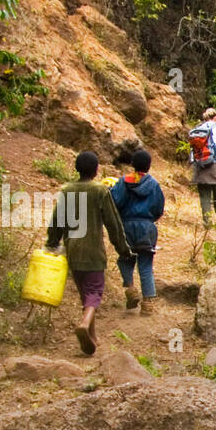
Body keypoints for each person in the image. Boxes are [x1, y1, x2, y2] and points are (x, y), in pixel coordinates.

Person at [46, 150, 133, 356]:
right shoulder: (100, 191)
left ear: (77, 169)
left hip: (73, 251)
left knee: (85, 295)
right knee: (94, 292)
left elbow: (57, 221)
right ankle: (85, 324)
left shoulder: (67, 190)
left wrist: (52, 242)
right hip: (93, 251)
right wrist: (123, 248)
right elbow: (114, 223)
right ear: (96, 171)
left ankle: (91, 337)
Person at [110, 146, 165, 315]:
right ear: (149, 166)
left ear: (133, 164)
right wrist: (148, 220)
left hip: (126, 226)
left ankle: (131, 288)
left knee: (125, 259)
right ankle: (148, 304)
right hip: (147, 228)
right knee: (146, 265)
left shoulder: (123, 181)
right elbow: (158, 209)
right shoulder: (154, 184)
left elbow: (114, 202)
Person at [190, 106, 216, 230]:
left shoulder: (197, 130)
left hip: (200, 167)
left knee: (204, 197)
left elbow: (193, 151)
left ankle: (207, 224)